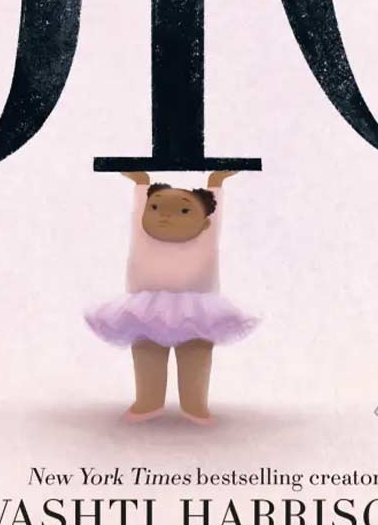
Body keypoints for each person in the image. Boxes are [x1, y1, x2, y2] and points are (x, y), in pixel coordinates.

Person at [83, 170, 259, 423]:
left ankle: (195, 404)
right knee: (147, 352)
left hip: (198, 306)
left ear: (206, 223)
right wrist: (141, 181)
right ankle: (148, 401)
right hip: (145, 305)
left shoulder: (206, 237)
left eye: (184, 211)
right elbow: (140, 201)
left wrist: (217, 182)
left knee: (195, 353)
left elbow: (215, 206)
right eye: (154, 207)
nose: (165, 215)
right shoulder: (142, 234)